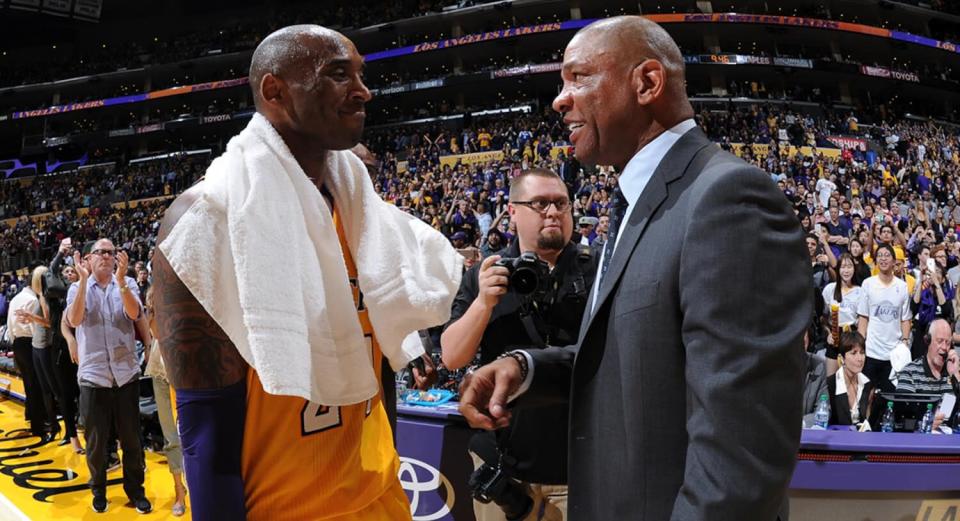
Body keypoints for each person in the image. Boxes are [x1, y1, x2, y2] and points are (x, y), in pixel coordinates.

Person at [458, 17, 809, 520]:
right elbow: (633, 356)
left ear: (646, 82)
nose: (560, 98)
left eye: (578, 78)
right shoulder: (635, 204)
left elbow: (743, 449)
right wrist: (527, 368)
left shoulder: (727, 199)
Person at [152, 25, 460, 521]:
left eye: (361, 74)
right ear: (274, 91)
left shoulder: (363, 211)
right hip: (284, 508)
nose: (364, 90)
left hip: (379, 493)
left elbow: (377, 370)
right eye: (339, 74)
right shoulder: (206, 219)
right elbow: (204, 429)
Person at [442, 168, 598, 521]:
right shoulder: (486, 272)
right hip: (505, 469)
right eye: (540, 203)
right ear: (512, 211)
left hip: (581, 468)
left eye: (561, 203)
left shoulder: (598, 268)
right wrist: (483, 303)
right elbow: (452, 357)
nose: (553, 212)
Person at [65, 239, 151, 514]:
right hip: (93, 375)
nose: (106, 256)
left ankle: (136, 491)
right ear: (88, 259)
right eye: (100, 252)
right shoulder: (76, 288)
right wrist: (81, 283)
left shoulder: (126, 283)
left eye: (111, 252)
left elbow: (135, 313)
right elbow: (75, 320)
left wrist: (123, 280)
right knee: (96, 442)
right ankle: (98, 490)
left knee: (131, 440)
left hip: (125, 374)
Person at [142, 287, 187, 517]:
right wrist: (154, 310)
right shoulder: (155, 298)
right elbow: (157, 333)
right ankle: (179, 491)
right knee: (171, 437)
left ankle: (197, 484)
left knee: (193, 436)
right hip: (162, 372)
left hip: (189, 373)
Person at [858, 243, 912, 392]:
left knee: (889, 398)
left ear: (894, 261)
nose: (883, 259)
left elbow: (905, 319)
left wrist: (905, 342)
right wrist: (860, 345)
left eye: (887, 255)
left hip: (893, 354)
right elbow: (863, 317)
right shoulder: (868, 284)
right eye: (880, 255)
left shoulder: (902, 287)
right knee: (866, 395)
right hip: (871, 351)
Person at [4, 270, 51, 440]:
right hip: (31, 344)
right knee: (36, 386)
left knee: (28, 384)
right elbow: (35, 329)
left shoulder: (16, 298)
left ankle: (30, 415)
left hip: (17, 343)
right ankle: (39, 426)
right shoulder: (32, 300)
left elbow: (9, 324)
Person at [821, 253, 863, 375]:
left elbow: (862, 321)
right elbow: (823, 319)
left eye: (849, 266)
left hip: (852, 336)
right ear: (838, 269)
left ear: (854, 269)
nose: (846, 270)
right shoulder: (829, 289)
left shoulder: (860, 291)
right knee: (831, 381)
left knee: (850, 380)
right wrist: (828, 334)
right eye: (843, 267)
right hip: (834, 336)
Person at [826, 332, 876, 428]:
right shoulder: (831, 384)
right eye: (853, 353)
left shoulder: (867, 383)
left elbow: (866, 418)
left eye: (862, 353)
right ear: (842, 358)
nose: (860, 358)